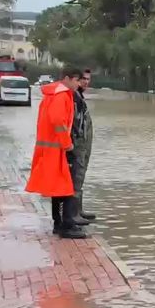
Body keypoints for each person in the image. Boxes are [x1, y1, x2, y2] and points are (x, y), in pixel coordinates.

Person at [25, 67, 88, 239]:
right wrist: (67, 144)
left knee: (58, 187)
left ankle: (59, 223)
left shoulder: (53, 94)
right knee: (66, 187)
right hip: (58, 148)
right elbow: (58, 121)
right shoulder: (62, 95)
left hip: (51, 147)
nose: (79, 84)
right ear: (67, 78)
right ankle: (66, 225)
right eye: (76, 80)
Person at [71, 68, 95, 225]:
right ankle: (73, 214)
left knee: (80, 176)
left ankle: (78, 211)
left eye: (88, 79)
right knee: (76, 177)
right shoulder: (74, 98)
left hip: (83, 146)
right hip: (77, 146)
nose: (86, 82)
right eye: (83, 79)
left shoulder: (80, 98)